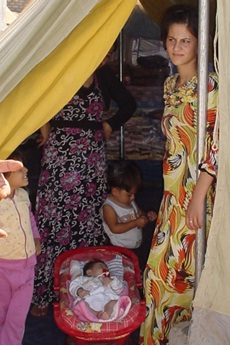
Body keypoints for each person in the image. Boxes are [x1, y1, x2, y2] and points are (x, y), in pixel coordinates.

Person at [31, 43, 137, 317]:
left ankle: (89, 290)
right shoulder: (62, 70)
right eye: (104, 49)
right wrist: (45, 130)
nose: (106, 56)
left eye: (110, 52)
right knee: (54, 222)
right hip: (59, 157)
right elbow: (39, 100)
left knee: (86, 220)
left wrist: (110, 125)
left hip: (91, 160)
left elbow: (129, 104)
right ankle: (45, 292)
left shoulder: (105, 78)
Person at [139, 4, 219, 344]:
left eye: (186, 40)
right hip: (172, 196)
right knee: (155, 276)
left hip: (197, 196)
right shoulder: (171, 84)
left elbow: (221, 142)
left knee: (180, 280)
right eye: (172, 39)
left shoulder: (211, 86)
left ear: (200, 43)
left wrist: (199, 195)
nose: (177, 47)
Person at [0, 150, 41, 344]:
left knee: (16, 318)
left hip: (27, 269)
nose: (26, 171)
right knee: (1, 315)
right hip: (3, 269)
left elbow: (30, 220)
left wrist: (36, 238)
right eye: (19, 169)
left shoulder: (24, 195)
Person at [100, 160, 157, 271]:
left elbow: (139, 213)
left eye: (134, 194)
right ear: (115, 191)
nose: (133, 198)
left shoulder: (129, 202)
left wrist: (147, 215)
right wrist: (136, 223)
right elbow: (115, 228)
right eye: (129, 194)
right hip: (119, 249)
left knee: (135, 269)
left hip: (135, 246)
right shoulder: (109, 207)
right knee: (122, 272)